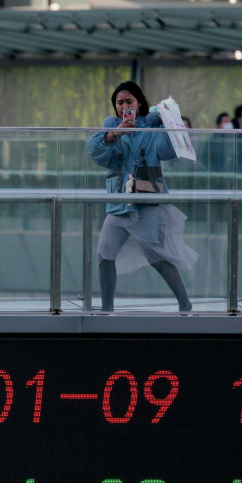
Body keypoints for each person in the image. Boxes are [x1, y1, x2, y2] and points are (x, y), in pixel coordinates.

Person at [86, 81, 198, 313]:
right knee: (104, 255)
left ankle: (184, 303)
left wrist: (166, 121)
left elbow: (168, 151)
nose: (124, 106)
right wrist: (115, 133)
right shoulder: (112, 127)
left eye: (129, 101)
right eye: (120, 102)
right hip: (118, 204)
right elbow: (96, 152)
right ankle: (107, 310)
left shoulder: (150, 127)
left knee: (157, 257)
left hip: (147, 204)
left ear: (139, 104)